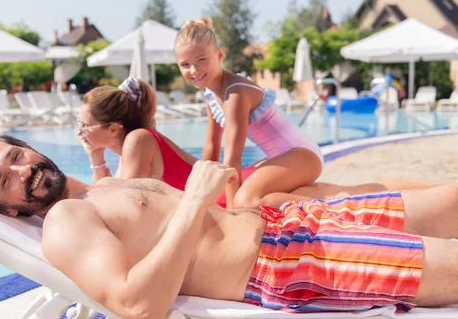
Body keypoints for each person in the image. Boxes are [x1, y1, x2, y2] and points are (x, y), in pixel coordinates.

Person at [0, 135, 458, 319]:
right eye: (6, 180)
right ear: (11, 211)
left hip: (291, 222)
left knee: (450, 201)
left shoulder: (100, 190)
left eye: (17, 156)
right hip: (288, 264)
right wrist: (194, 200)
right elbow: (138, 307)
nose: (23, 171)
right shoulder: (65, 223)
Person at [78, 76, 438, 207]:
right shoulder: (137, 142)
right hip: (232, 189)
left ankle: (440, 193)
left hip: (231, 195)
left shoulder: (138, 140)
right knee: (347, 192)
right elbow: (114, 196)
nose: (80, 133)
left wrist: (96, 162)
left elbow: (120, 204)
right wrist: (96, 158)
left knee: (345, 196)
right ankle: (438, 190)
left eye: (85, 126)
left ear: (113, 128)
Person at [174, 17, 323, 209]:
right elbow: (212, 146)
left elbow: (232, 159)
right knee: (235, 189)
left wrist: (230, 213)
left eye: (201, 60)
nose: (194, 70)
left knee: (244, 202)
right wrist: (201, 194)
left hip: (303, 156)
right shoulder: (211, 95)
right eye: (185, 64)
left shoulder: (235, 93)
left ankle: (325, 206)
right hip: (281, 157)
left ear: (220, 55)